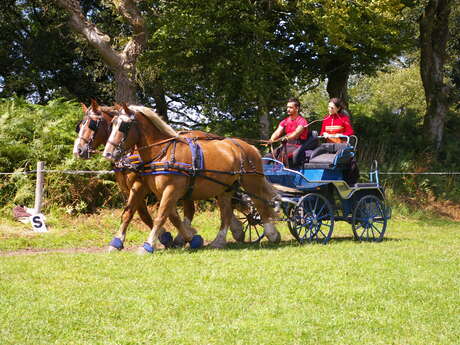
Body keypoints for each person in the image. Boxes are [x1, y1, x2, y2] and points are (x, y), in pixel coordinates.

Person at [320, 97, 359, 185]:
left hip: (340, 146)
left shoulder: (344, 118)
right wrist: (324, 134)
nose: (329, 109)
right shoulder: (326, 119)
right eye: (328, 107)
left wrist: (341, 135)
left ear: (338, 108)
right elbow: (322, 132)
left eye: (332, 107)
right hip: (329, 147)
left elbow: (350, 131)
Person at [267, 98, 316, 167]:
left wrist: (285, 138)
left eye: (290, 107)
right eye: (287, 107)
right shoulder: (285, 121)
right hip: (286, 145)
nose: (288, 109)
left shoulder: (302, 121)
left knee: (282, 155)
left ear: (297, 108)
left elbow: (296, 134)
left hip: (297, 145)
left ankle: (281, 174)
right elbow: (277, 132)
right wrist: (271, 139)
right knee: (267, 157)